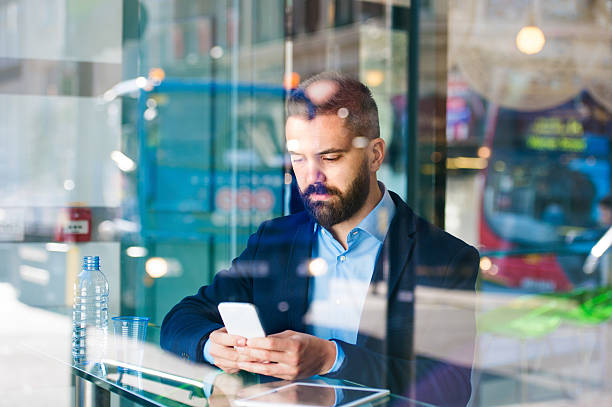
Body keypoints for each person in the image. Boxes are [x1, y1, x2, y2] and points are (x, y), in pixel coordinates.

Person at [161, 72, 479, 406]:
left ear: (375, 155)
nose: (313, 178)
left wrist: (333, 358)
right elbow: (181, 320)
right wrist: (211, 345)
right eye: (298, 159)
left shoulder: (445, 257)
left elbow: (451, 389)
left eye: (330, 157)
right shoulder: (274, 239)